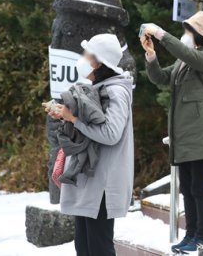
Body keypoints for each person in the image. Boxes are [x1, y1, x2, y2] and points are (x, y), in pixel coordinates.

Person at [45, 33, 134, 256]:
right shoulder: (99, 86)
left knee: (99, 247)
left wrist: (74, 119)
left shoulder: (116, 91)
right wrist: (64, 114)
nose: (82, 57)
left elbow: (111, 134)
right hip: (90, 179)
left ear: (99, 61)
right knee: (84, 246)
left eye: (87, 54)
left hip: (104, 183)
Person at [140, 11, 203, 253]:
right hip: (183, 136)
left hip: (201, 134)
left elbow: (185, 53)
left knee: (198, 187)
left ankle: (202, 235)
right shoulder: (182, 61)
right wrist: (151, 55)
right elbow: (160, 77)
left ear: (199, 34)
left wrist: (161, 34)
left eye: (188, 31)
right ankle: (190, 234)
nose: (185, 35)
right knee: (187, 188)